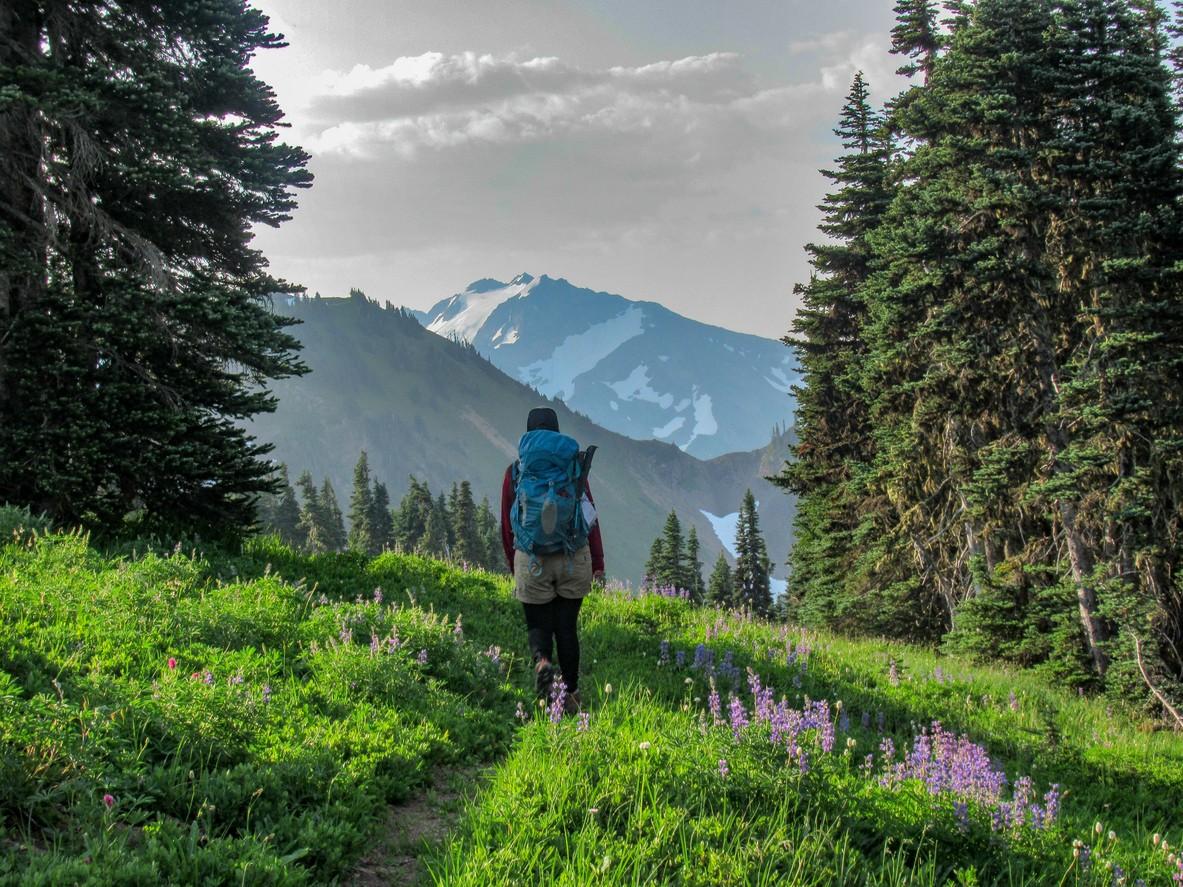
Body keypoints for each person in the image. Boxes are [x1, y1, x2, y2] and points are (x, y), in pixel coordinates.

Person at [500, 407, 604, 712]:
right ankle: (570, 693)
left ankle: (543, 662)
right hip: (573, 558)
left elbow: (508, 523)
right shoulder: (572, 468)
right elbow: (589, 516)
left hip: (531, 559)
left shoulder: (516, 471)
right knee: (567, 627)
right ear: (557, 433)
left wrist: (514, 561)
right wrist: (598, 562)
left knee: (538, 623)